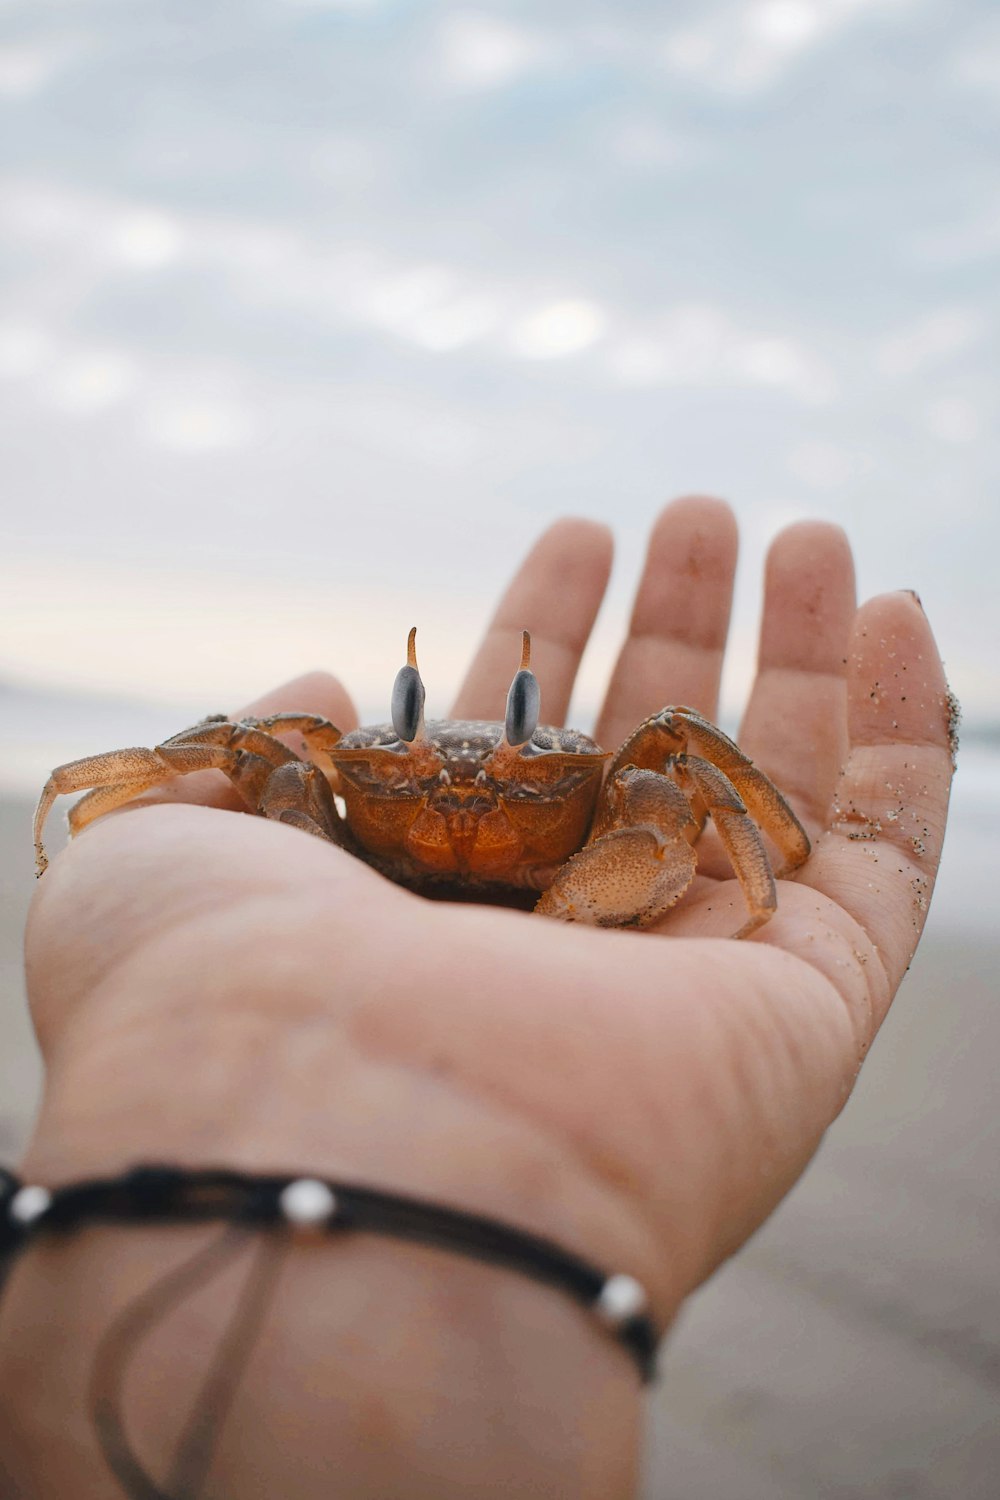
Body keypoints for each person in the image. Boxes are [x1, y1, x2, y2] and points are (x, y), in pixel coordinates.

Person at [0, 497, 954, 1498]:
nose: (462, 803)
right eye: (411, 777)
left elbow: (687, 808)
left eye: (511, 783)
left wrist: (764, 881)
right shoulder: (314, 766)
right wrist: (114, 792)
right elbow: (237, 747)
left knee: (671, 748)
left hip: (582, 879)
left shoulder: (630, 788)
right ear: (346, 758)